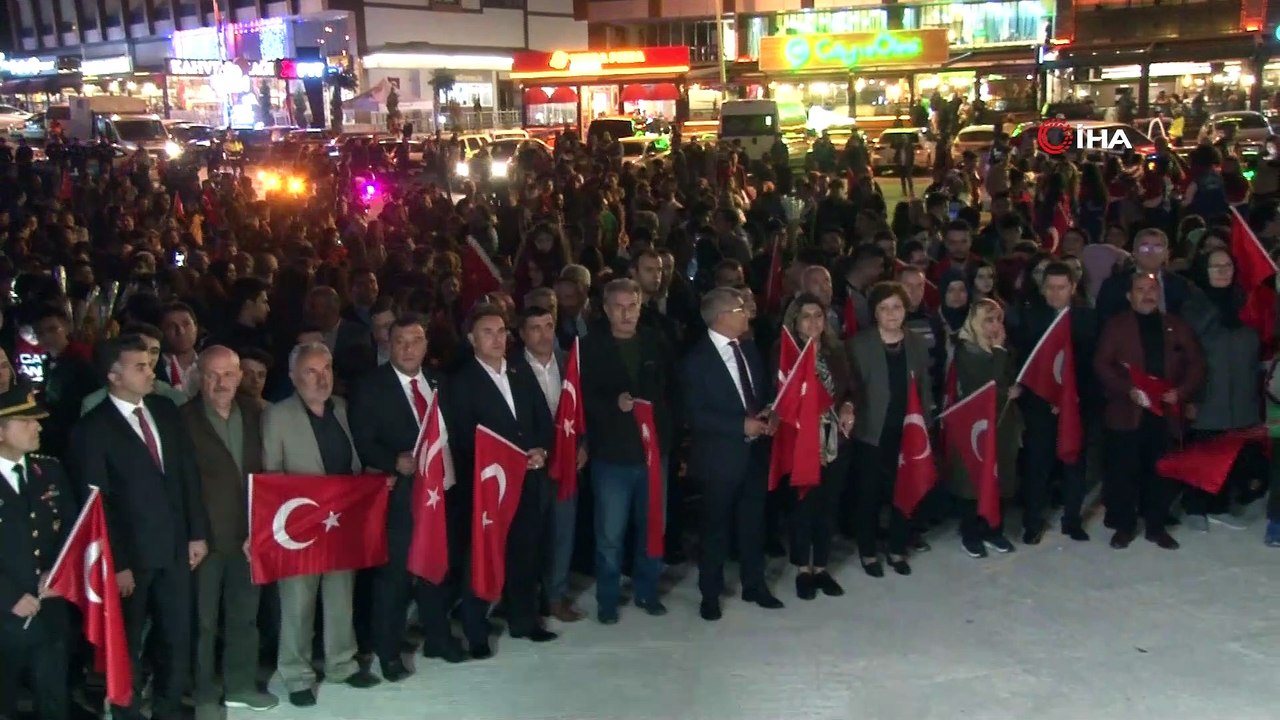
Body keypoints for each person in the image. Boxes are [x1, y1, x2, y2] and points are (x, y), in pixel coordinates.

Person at [66, 334, 208, 720]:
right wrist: (119, 562)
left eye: (150, 364)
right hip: (131, 556)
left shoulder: (164, 409)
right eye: (140, 366)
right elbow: (97, 504)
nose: (151, 372)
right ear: (114, 375)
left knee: (177, 634)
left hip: (176, 546)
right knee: (127, 640)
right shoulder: (93, 429)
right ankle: (126, 710)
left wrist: (197, 532)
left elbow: (186, 474)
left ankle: (168, 706)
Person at [261, 342, 381, 707]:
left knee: (340, 596)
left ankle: (341, 664)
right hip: (298, 527)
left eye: (326, 368)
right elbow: (271, 473)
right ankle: (296, 674)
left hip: (340, 523)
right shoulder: (277, 416)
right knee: (297, 602)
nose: (321, 377)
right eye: (311, 371)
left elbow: (356, 465)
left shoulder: (343, 409)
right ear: (294, 377)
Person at [349, 313, 466, 683]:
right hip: (399, 498)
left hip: (441, 495)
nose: (408, 348)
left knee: (436, 570)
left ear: (426, 345)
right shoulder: (371, 386)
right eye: (400, 341)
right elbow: (363, 441)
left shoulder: (440, 382)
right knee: (395, 579)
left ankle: (437, 638)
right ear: (388, 344)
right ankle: (388, 652)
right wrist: (391, 461)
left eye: (415, 341)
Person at [445, 304, 556, 659]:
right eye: (487, 332)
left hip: (526, 481)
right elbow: (463, 437)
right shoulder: (461, 382)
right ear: (471, 339)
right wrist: (506, 459)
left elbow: (541, 419)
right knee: (482, 556)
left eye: (500, 331)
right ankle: (476, 631)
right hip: (485, 488)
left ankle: (525, 621)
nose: (496, 339)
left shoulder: (521, 373)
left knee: (526, 552)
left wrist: (541, 450)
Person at [180, 346, 277, 717]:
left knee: (245, 617)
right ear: (199, 378)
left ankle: (240, 686)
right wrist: (192, 533)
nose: (221, 382)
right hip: (203, 541)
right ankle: (203, 694)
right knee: (202, 623)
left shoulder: (257, 413)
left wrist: (263, 527)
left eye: (228, 374)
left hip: (249, 537)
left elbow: (270, 475)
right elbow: (179, 484)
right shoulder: (182, 419)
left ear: (240, 376)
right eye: (212, 375)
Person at [683, 287, 782, 621]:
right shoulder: (696, 361)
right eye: (740, 309)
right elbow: (694, 414)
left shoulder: (750, 348)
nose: (748, 313)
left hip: (754, 455)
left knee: (753, 522)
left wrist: (769, 412)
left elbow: (763, 391)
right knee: (715, 528)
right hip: (719, 459)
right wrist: (740, 425)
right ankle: (710, 594)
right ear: (721, 316)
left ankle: (755, 584)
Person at [580, 279, 675, 623]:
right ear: (605, 309)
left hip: (652, 453)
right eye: (618, 306)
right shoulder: (589, 347)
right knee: (610, 533)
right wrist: (611, 403)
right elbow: (580, 399)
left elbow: (672, 391)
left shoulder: (655, 342)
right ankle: (607, 599)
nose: (625, 313)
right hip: (612, 456)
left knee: (652, 526)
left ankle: (647, 591)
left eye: (631, 305)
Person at [1094, 273, 1205, 550]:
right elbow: (1102, 365)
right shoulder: (1116, 326)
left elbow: (1196, 364)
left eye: (1152, 289)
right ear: (1129, 296)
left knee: (1160, 472)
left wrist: (1180, 392)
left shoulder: (1175, 326)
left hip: (1164, 413)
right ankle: (1124, 526)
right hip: (1127, 412)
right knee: (1123, 472)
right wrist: (1126, 389)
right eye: (1140, 289)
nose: (1147, 294)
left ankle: (1156, 527)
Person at [0, 386, 78, 720]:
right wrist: (8, 596)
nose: (39, 427)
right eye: (28, 421)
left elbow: (75, 530)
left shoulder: (49, 470)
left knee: (53, 700)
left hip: (49, 606)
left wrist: (61, 575)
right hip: (5, 613)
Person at [847, 282, 935, 577]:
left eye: (896, 306)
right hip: (871, 431)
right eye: (883, 308)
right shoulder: (860, 344)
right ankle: (869, 551)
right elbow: (852, 389)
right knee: (869, 494)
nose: (891, 313)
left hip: (908, 431)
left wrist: (927, 425)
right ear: (874, 312)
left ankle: (897, 548)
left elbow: (923, 387)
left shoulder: (916, 342)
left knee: (903, 490)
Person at [777, 294, 858, 599]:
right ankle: (802, 568)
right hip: (802, 440)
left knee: (828, 504)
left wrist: (849, 406)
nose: (813, 322)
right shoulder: (785, 352)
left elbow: (850, 388)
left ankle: (821, 566)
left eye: (819, 316)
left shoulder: (837, 351)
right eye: (806, 316)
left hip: (835, 438)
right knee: (804, 504)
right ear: (795, 322)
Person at [1014, 262, 1096, 543]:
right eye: (1050, 287)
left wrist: (1069, 399)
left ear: (1073, 288)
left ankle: (1072, 520)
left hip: (1076, 404)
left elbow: (1091, 365)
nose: (1055, 293)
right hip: (1038, 406)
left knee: (1074, 463)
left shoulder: (1087, 319)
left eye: (1061, 288)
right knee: (1038, 465)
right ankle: (1033, 522)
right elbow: (1024, 363)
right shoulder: (1030, 317)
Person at [513, 306, 585, 624]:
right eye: (535, 328)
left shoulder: (572, 361)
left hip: (568, 462)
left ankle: (555, 596)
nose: (544, 334)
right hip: (529, 466)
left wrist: (585, 446)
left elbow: (587, 409)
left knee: (563, 531)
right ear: (522, 334)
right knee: (530, 537)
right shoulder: (511, 369)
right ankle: (525, 598)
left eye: (548, 326)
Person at [1181, 250, 1263, 531]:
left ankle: (1220, 504)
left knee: (1232, 454)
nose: (1222, 271)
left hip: (1241, 393)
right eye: (1216, 266)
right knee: (1202, 454)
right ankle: (1195, 507)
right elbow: (1186, 352)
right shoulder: (1195, 306)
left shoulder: (1245, 304)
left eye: (1227, 265)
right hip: (1208, 395)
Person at [948, 299, 1021, 557]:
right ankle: (971, 533)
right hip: (975, 427)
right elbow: (985, 385)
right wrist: (999, 351)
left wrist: (1015, 389)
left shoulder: (1003, 348)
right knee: (973, 480)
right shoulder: (967, 350)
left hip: (1003, 424)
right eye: (988, 320)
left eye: (998, 319)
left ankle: (993, 530)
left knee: (1001, 477)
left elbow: (1007, 378)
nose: (995, 326)